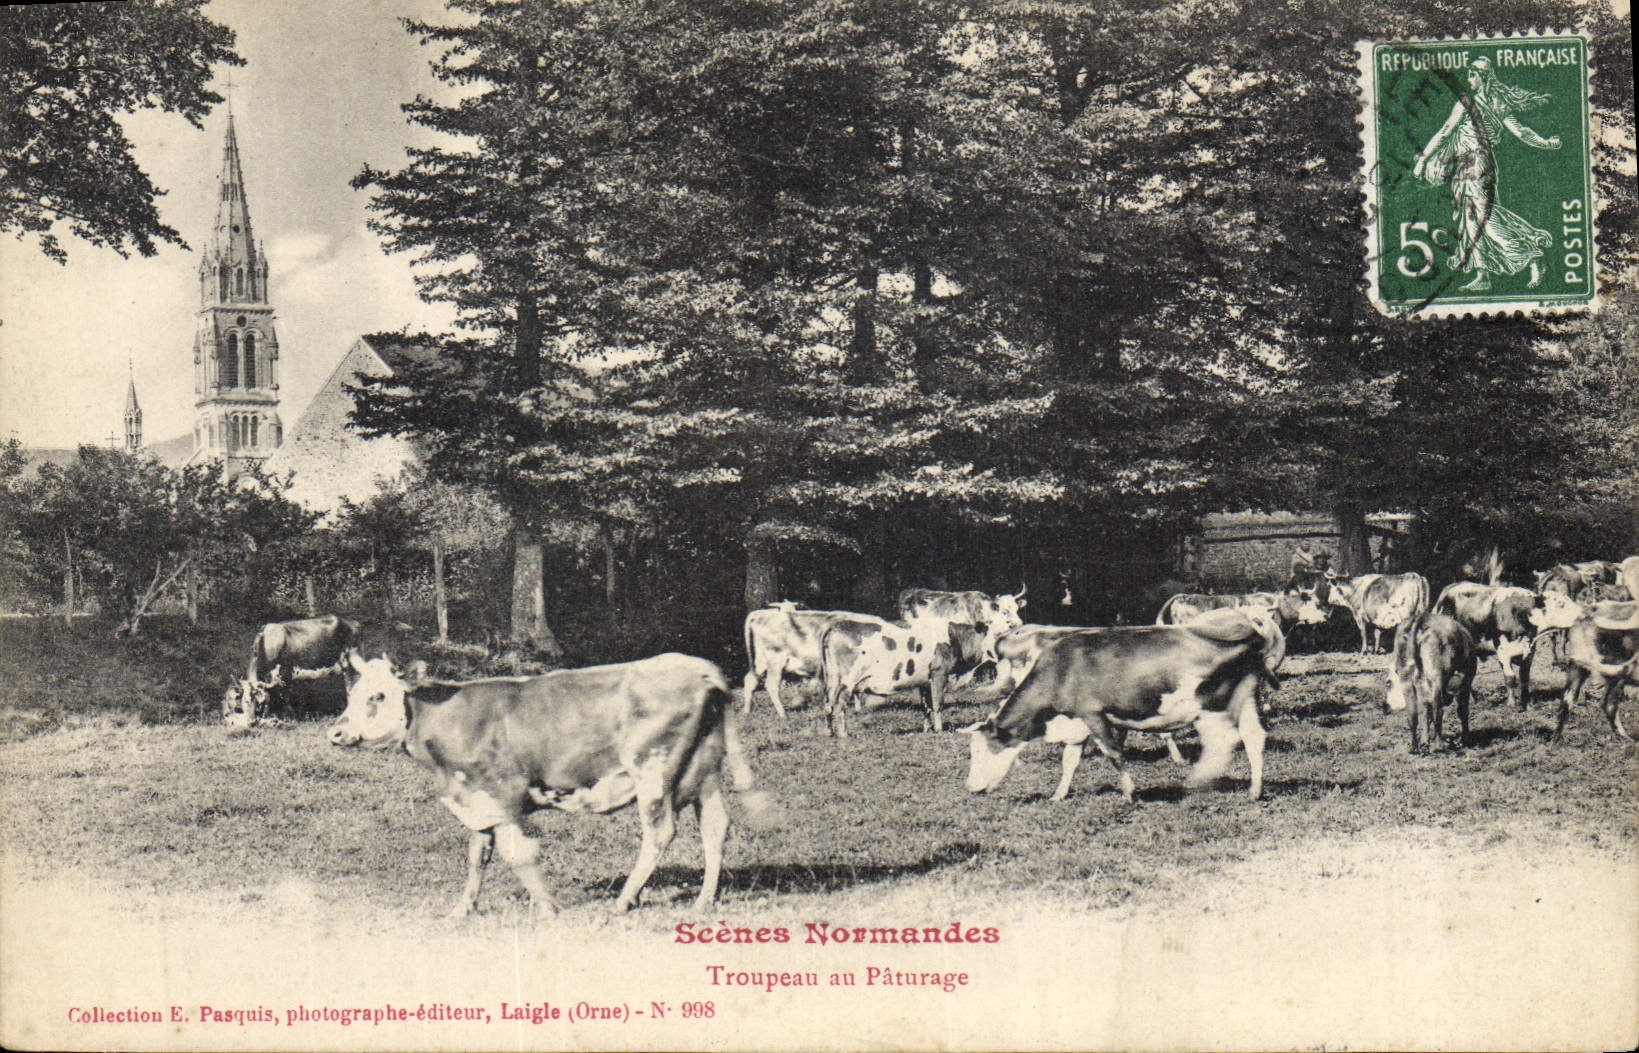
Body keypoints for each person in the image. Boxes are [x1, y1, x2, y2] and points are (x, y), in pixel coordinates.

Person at [1412, 56, 1561, 292]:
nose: (1468, 79)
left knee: (1485, 220)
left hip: (1476, 166)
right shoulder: (1496, 103)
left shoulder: (1468, 103)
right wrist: (1546, 143)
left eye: (1472, 74)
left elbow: (1444, 132)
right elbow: (1522, 132)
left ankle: (1532, 256)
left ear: (1483, 78)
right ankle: (1483, 275)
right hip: (1470, 167)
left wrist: (1422, 160)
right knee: (1472, 221)